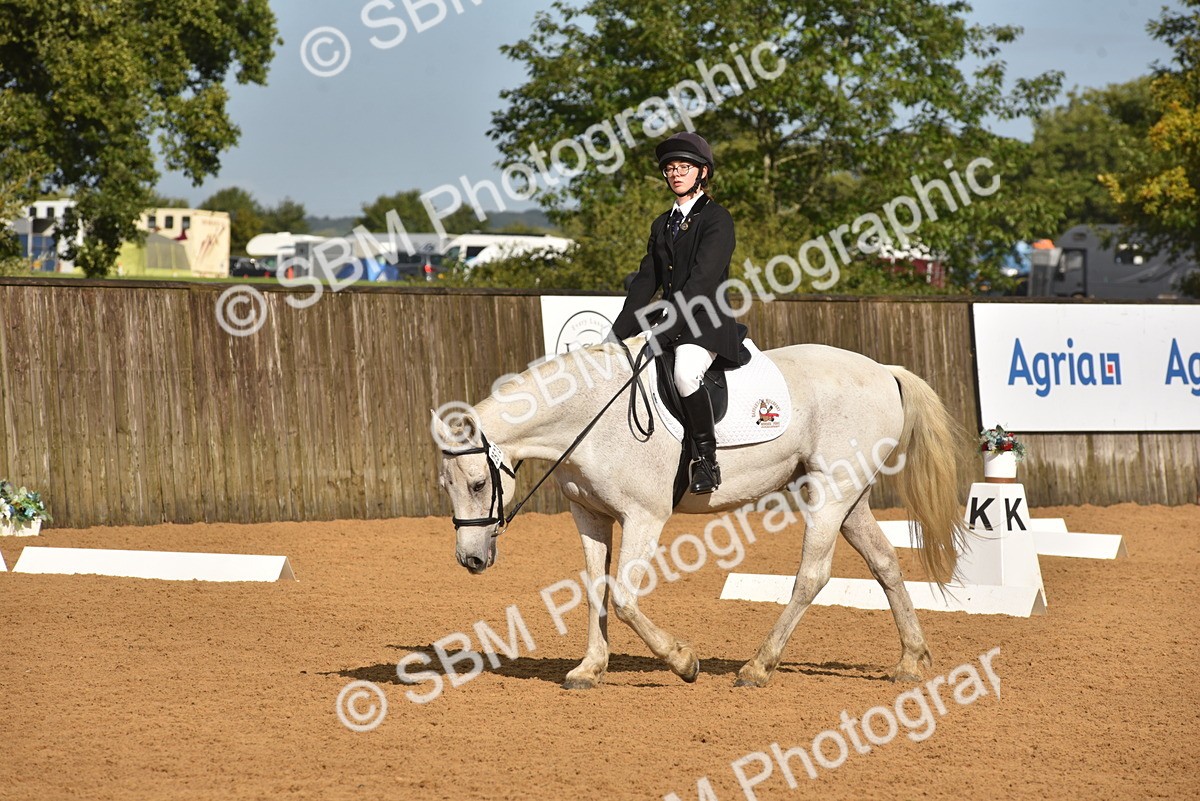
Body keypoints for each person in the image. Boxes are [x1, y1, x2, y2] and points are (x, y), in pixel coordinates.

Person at [609, 132, 747, 494]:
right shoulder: (662, 224)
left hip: (705, 323)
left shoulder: (717, 219)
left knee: (685, 373)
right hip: (670, 321)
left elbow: (701, 282)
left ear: (702, 172)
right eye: (670, 168)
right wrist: (615, 337)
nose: (675, 173)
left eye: (683, 167)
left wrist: (665, 332)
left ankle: (706, 460)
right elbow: (644, 284)